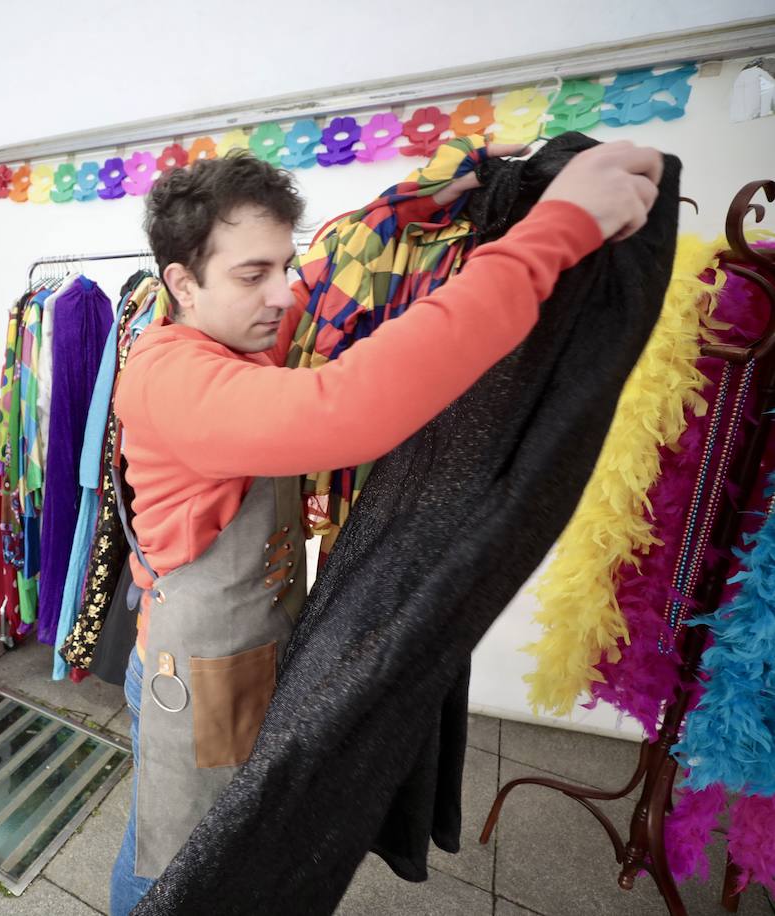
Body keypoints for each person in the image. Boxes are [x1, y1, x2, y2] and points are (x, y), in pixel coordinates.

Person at [107, 141, 664, 914]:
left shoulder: (238, 337)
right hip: (194, 681)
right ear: (180, 282)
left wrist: (435, 187)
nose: (281, 292)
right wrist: (554, 231)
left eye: (282, 264)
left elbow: (332, 265)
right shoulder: (173, 375)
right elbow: (348, 406)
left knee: (227, 855)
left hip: (244, 658)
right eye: (252, 273)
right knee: (173, 867)